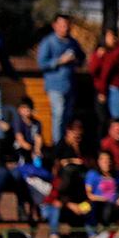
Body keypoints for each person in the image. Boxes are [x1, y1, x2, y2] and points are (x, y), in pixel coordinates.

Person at [37, 13, 85, 143]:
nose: (65, 28)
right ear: (55, 26)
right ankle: (57, 146)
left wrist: (76, 60)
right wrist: (59, 61)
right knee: (58, 115)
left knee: (68, 116)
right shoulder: (48, 41)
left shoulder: (72, 42)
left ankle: (67, 145)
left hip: (70, 85)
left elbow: (82, 58)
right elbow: (41, 63)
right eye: (62, 25)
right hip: (55, 86)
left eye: (67, 26)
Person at [12, 97, 43, 165]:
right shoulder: (18, 122)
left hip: (32, 148)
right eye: (23, 107)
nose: (25, 110)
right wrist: (32, 150)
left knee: (40, 159)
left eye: (27, 107)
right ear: (18, 110)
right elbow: (20, 140)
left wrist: (37, 150)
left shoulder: (36, 123)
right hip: (20, 149)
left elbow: (38, 138)